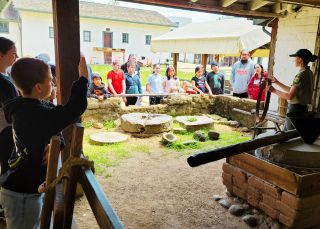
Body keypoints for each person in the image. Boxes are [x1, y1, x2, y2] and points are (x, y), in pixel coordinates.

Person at [0, 56, 89, 229]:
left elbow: (54, 125)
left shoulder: (26, 108)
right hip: (22, 194)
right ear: (39, 87)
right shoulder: (35, 113)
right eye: (51, 80)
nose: (53, 83)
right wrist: (83, 79)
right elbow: (73, 110)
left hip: (24, 189)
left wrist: (54, 145)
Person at [269, 49, 318, 130]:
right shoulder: (309, 72)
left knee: (289, 133)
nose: (294, 60)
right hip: (302, 109)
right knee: (294, 133)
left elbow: (289, 96)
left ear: (300, 60)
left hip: (295, 110)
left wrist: (274, 91)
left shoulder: (300, 75)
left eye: (295, 58)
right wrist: (277, 82)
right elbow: (293, 91)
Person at [0, 37, 19, 221]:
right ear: (1, 55)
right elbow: (12, 109)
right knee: (8, 167)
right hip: (6, 131)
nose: (16, 56)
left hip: (6, 130)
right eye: (13, 53)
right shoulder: (2, 81)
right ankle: (5, 208)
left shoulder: (6, 78)